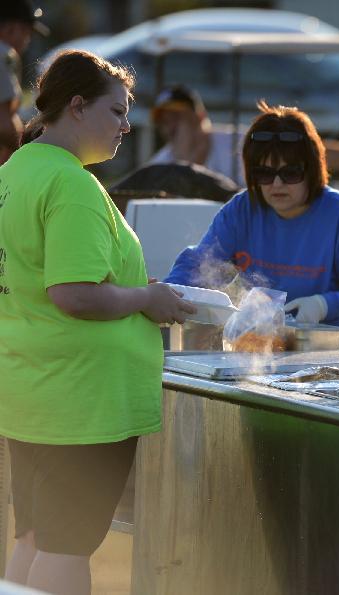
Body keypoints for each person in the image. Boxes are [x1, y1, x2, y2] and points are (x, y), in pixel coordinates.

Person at [0, 49, 195, 595]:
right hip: (77, 401)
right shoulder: (70, 185)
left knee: (35, 538)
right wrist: (147, 298)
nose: (126, 126)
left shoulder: (15, 171)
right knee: (66, 548)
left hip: (31, 389)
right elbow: (76, 295)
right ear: (77, 107)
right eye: (116, 111)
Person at [165, 101, 339, 334]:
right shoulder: (241, 210)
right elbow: (200, 265)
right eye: (264, 173)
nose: (277, 184)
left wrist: (324, 306)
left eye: (290, 173)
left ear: (312, 170)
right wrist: (168, 292)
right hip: (268, 347)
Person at [148, 84, 339, 195]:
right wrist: (183, 160)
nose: (172, 125)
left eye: (179, 116)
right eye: (165, 119)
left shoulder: (239, 140)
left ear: (200, 116)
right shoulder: (158, 167)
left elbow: (301, 153)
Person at [0, 0, 47, 164]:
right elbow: (4, 122)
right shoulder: (4, 54)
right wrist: (29, 151)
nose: (27, 41)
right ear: (10, 29)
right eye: (27, 33)